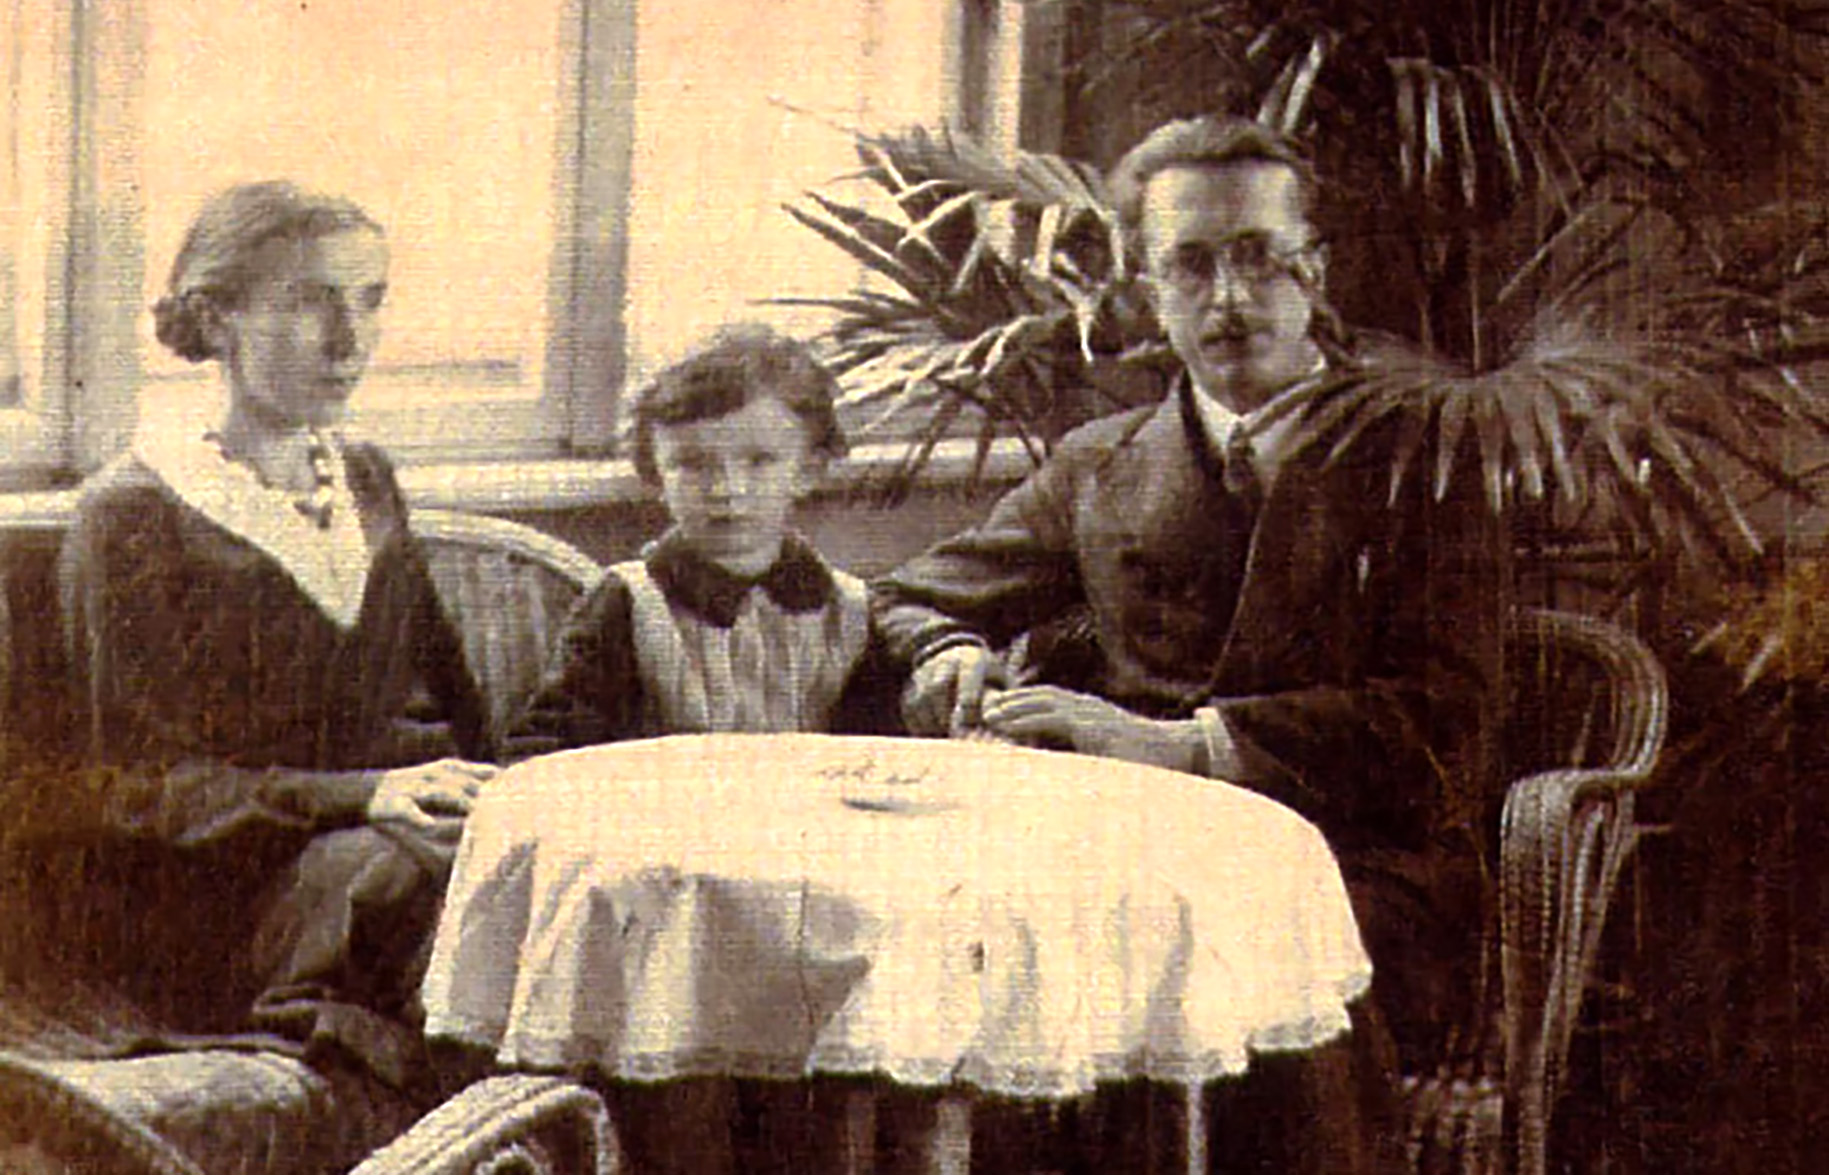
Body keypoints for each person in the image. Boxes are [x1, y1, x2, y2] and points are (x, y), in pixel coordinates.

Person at [873, 116, 1505, 1167]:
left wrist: (1182, 744)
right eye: (1191, 265)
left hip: (1358, 871)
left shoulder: (1428, 457)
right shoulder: (1100, 462)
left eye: (1257, 257)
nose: (1228, 298)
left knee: (1211, 954)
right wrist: (945, 651)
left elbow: (1447, 723)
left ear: (1315, 269)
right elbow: (906, 596)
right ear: (1146, 288)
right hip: (1132, 858)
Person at [25, 180, 496, 1170]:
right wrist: (367, 794)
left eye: (369, 299)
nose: (349, 339)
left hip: (378, 849)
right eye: (309, 301)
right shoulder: (134, 512)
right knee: (427, 888)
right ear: (216, 319)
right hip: (216, 894)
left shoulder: (365, 477)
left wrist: (493, 794)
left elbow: (451, 701)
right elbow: (140, 787)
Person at [510, 323, 891, 755]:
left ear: (807, 471)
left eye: (759, 461)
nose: (726, 488)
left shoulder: (850, 609)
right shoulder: (629, 603)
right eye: (692, 464)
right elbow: (552, 747)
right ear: (656, 475)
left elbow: (879, 752)